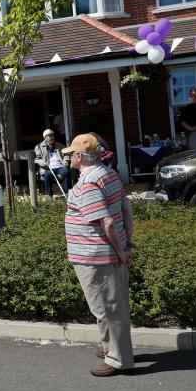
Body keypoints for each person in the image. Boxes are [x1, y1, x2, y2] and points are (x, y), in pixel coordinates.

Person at [61, 134, 135, 377]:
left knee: (107, 309)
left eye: (71, 153)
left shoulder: (89, 183)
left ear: (80, 156)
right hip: (107, 253)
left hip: (97, 256)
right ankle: (109, 347)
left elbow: (107, 222)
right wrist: (127, 245)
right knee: (108, 306)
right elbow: (126, 207)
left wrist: (121, 252)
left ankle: (118, 359)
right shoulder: (108, 173)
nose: (69, 156)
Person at [34, 129, 70, 196]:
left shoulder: (59, 145)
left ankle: (68, 193)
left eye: (52, 135)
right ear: (45, 138)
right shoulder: (39, 147)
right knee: (47, 175)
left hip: (60, 166)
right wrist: (44, 163)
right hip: (48, 168)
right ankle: (49, 195)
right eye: (50, 136)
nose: (52, 137)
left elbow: (66, 154)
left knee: (66, 172)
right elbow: (37, 159)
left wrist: (65, 161)